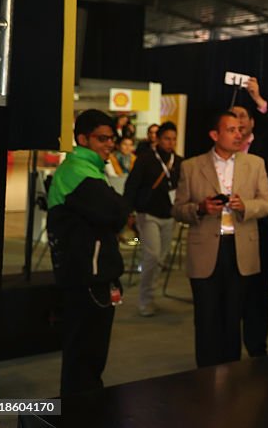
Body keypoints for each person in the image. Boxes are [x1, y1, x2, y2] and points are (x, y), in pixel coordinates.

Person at [172, 111, 268, 367]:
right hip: (206, 248)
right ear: (214, 134)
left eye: (241, 129)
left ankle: (231, 373)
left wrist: (246, 206)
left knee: (234, 315)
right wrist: (200, 208)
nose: (238, 134)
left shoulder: (255, 164)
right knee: (206, 316)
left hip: (241, 248)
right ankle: (205, 373)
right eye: (231, 130)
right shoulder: (191, 166)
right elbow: (177, 209)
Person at [46, 110, 130, 396]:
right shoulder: (76, 170)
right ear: (82, 138)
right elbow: (115, 211)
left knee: (91, 358)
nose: (110, 144)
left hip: (94, 277)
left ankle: (82, 411)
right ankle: (77, 414)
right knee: (84, 357)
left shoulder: (92, 169)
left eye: (112, 138)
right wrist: (118, 211)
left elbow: (115, 213)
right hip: (85, 279)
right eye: (102, 138)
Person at [231, 76, 268, 358]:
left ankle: (257, 348)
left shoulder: (264, 146)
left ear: (253, 123)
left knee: (257, 293)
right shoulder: (219, 155)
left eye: (244, 117)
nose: (239, 124)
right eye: (233, 119)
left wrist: (257, 99)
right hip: (227, 233)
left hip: (259, 228)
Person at [123, 121, 182, 317]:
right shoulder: (145, 159)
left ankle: (151, 296)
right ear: (158, 139)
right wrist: (128, 212)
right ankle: (145, 300)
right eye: (167, 138)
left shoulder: (180, 162)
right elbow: (132, 186)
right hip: (147, 214)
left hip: (170, 216)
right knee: (152, 256)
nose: (170, 142)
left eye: (174, 139)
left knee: (160, 259)